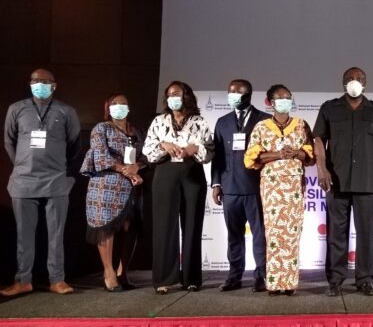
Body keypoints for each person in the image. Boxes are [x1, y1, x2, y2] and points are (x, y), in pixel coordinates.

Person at [314, 67, 373, 296]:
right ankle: (335, 281)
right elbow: (318, 139)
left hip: (367, 181)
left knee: (366, 233)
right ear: (343, 82)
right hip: (336, 181)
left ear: (365, 83)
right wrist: (321, 169)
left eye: (359, 78)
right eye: (350, 78)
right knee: (336, 233)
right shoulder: (329, 108)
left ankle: (365, 280)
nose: (354, 82)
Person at [1, 68, 80, 297]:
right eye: (35, 80)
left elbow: (74, 144)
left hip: (56, 180)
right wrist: (21, 165)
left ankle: (57, 279)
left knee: (56, 234)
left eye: (44, 81)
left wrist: (59, 167)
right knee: (23, 235)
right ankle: (23, 280)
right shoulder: (16, 108)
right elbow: (9, 141)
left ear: (54, 85)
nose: (39, 84)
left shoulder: (66, 111)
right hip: (24, 180)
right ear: (30, 84)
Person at [143, 81, 213, 294]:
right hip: (165, 174)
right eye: (170, 94)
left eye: (177, 93)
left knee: (192, 226)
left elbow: (210, 151)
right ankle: (163, 279)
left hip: (192, 174)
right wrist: (163, 145)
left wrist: (195, 149)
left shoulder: (199, 121)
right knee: (164, 226)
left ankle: (191, 278)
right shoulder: (159, 121)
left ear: (186, 96)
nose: (173, 97)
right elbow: (148, 151)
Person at [244, 85, 315, 295]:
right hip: (272, 187)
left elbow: (310, 156)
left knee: (292, 234)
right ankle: (275, 283)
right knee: (274, 234)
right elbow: (251, 158)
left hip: (294, 186)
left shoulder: (301, 125)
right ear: (270, 102)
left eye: (288, 97)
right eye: (280, 97)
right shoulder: (261, 127)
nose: (285, 101)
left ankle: (290, 283)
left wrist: (296, 153)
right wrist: (278, 154)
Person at [80, 93, 147, 291]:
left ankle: (122, 272)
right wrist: (125, 170)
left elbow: (147, 155)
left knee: (130, 227)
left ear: (129, 107)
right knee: (106, 227)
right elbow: (100, 155)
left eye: (123, 103)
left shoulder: (137, 130)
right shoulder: (101, 128)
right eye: (115, 104)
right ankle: (108, 272)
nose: (119, 107)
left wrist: (137, 166)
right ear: (108, 108)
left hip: (132, 186)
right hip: (105, 184)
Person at [211, 79, 271, 292]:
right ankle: (234, 276)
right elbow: (217, 156)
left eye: (237, 92)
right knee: (234, 235)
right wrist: (216, 184)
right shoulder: (222, 122)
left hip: (256, 187)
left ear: (248, 95)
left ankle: (262, 275)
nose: (232, 95)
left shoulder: (265, 120)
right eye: (230, 92)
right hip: (229, 188)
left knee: (260, 235)